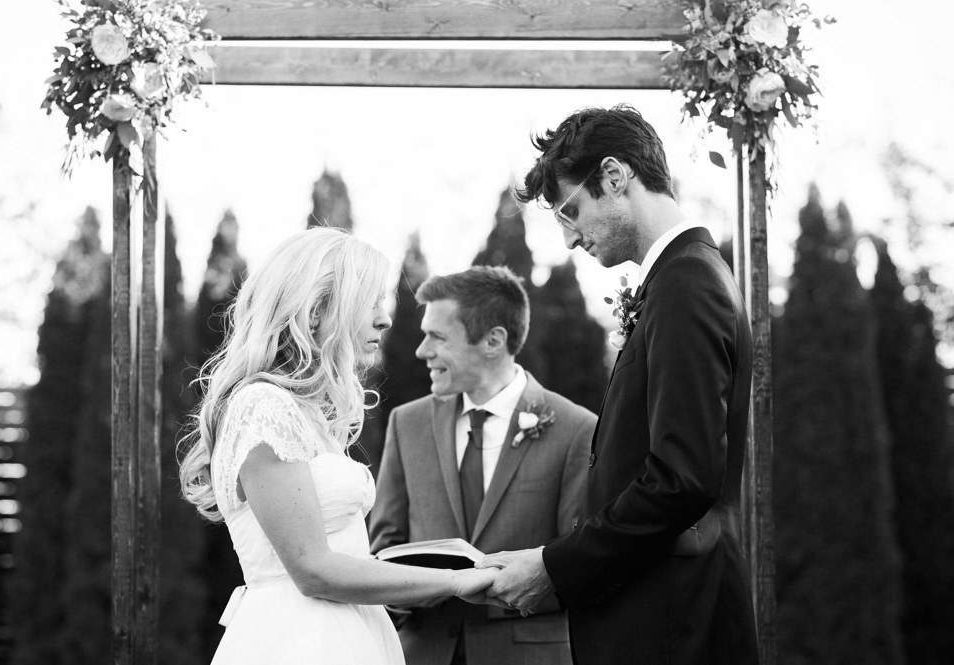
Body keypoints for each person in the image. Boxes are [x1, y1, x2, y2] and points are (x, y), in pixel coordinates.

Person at [478, 105, 760, 665]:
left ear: (613, 176)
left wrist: (555, 567)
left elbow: (682, 480)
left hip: (675, 628)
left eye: (571, 211)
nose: (569, 239)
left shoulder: (686, 284)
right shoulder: (682, 277)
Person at [178, 228, 498, 665]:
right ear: (315, 312)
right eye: (370, 302)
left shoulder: (308, 413)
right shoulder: (263, 406)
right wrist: (454, 582)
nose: (385, 319)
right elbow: (313, 570)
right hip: (298, 642)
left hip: (351, 634)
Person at [370, 265, 596, 665]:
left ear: (493, 341)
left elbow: (580, 561)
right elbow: (385, 547)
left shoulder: (577, 428)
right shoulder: (407, 423)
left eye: (438, 337)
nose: (422, 351)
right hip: (424, 653)